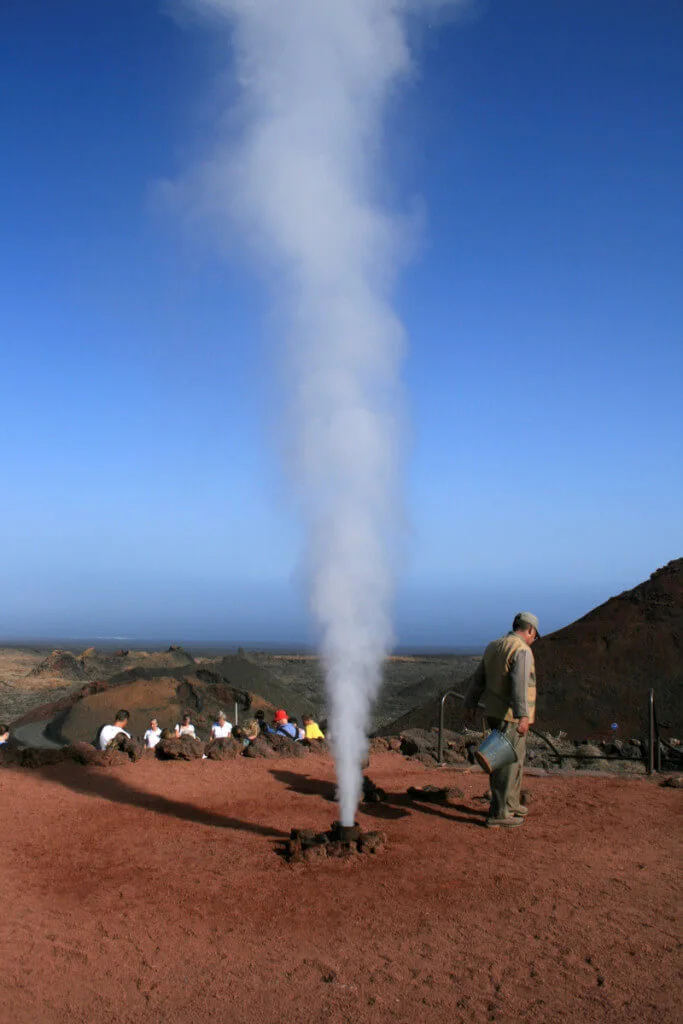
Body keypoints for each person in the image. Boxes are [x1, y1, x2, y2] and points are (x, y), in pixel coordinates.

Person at [463, 612, 540, 829]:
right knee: (506, 764)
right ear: (530, 630)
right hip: (511, 717)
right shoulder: (522, 650)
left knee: (514, 760)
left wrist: (470, 704)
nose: (534, 639)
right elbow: (519, 685)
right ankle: (499, 813)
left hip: (494, 713)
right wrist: (522, 715)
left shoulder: (493, 646)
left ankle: (512, 803)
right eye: (535, 635)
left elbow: (479, 679)